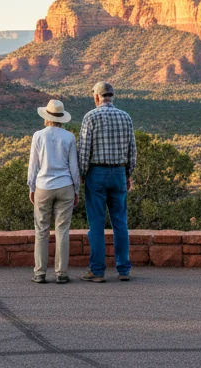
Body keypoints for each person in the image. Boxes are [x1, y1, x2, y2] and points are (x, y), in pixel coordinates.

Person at [76, 81, 137, 282]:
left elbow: (84, 150)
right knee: (120, 222)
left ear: (96, 97)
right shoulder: (125, 117)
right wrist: (128, 174)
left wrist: (82, 174)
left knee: (96, 224)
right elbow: (132, 151)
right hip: (119, 172)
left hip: (97, 173)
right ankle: (123, 269)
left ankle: (98, 271)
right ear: (112, 96)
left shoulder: (90, 117)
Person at [27, 99, 80, 284]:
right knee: (62, 230)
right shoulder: (69, 137)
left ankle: (40, 272)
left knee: (41, 230)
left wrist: (31, 187)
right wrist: (76, 190)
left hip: (43, 186)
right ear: (61, 118)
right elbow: (74, 167)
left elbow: (33, 165)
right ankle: (61, 273)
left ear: (46, 117)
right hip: (65, 186)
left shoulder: (38, 136)